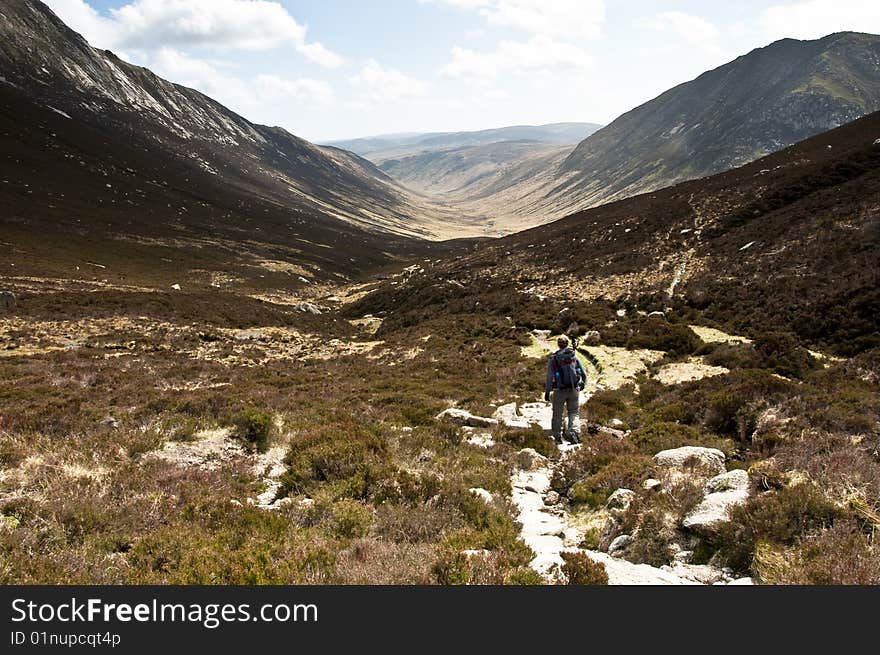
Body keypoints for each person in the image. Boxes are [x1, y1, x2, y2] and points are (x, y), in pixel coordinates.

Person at [543, 335, 587, 444]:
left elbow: (549, 377)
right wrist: (583, 384)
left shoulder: (554, 359)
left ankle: (557, 436)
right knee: (573, 412)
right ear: (567, 344)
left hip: (559, 390)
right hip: (573, 389)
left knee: (557, 414)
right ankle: (574, 432)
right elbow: (583, 373)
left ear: (558, 344)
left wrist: (547, 392)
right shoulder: (573, 356)